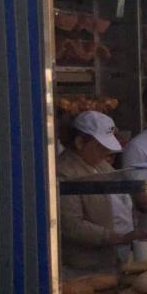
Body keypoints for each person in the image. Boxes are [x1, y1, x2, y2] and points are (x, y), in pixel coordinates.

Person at [57, 111, 139, 269]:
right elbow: (71, 224)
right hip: (85, 264)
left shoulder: (101, 165)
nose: (106, 153)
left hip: (114, 257)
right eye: (101, 147)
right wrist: (118, 237)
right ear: (80, 142)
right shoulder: (65, 172)